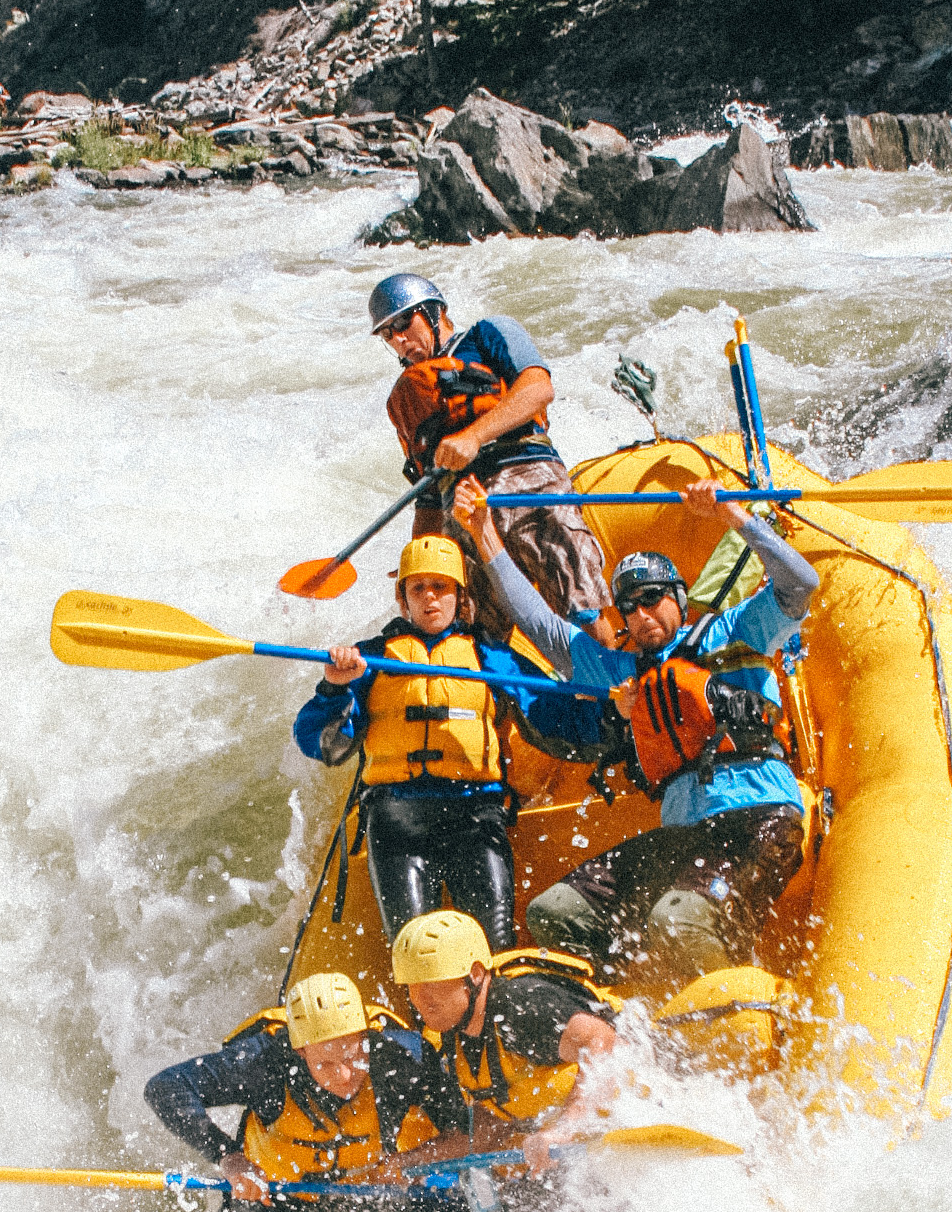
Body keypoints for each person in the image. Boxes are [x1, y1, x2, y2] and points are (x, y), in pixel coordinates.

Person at [453, 474, 819, 979]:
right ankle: (620, 1012)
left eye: (652, 599)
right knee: (556, 911)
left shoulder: (737, 629)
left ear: (680, 600)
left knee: (680, 919)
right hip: (688, 838)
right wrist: (483, 531)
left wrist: (733, 515)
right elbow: (539, 622)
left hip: (759, 820)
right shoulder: (623, 672)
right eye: (628, 606)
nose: (641, 614)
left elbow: (801, 583)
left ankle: (733, 1016)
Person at [143, 970, 464, 1212]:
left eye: (352, 1057)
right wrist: (230, 1159)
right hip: (275, 1206)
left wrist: (407, 1161)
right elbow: (165, 1088)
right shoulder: (262, 1063)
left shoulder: (401, 1059)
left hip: (366, 1201)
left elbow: (461, 1134)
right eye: (325, 1064)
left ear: (363, 1036)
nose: (343, 1076)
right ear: (300, 1050)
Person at [293, 534, 522, 951]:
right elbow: (317, 743)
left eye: (441, 587)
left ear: (459, 595)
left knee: (497, 947)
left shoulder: (491, 657)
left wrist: (614, 710)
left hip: (475, 813)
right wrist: (331, 689)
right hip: (398, 819)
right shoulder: (369, 659)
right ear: (403, 601)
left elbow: (552, 716)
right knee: (415, 953)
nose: (430, 598)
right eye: (418, 588)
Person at [366, 274, 610, 636]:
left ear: (435, 312)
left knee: (581, 607)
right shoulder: (407, 398)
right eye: (388, 334)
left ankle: (613, 688)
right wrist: (420, 555)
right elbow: (427, 493)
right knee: (477, 637)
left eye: (404, 323)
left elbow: (538, 387)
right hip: (461, 508)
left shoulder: (487, 334)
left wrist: (473, 436)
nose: (399, 339)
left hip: (528, 482)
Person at [389, 910, 621, 1175]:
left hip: (635, 1109)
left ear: (475, 974)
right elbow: (489, 1126)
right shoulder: (451, 1034)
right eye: (411, 985)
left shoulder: (520, 1007)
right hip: (581, 1143)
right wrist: (404, 1165)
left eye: (432, 981)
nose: (420, 998)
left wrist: (563, 1131)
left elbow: (606, 1044)